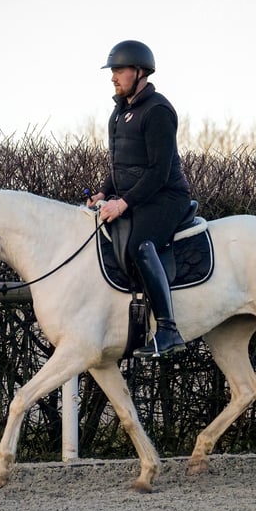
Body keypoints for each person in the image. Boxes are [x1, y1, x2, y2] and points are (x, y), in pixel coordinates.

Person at [86, 40, 192, 358]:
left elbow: (158, 172)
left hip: (166, 197)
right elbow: (120, 166)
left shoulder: (157, 110)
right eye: (113, 71)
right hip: (137, 197)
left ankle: (168, 330)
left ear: (140, 72)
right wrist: (104, 192)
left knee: (139, 245)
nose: (113, 77)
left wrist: (123, 203)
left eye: (119, 70)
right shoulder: (119, 113)